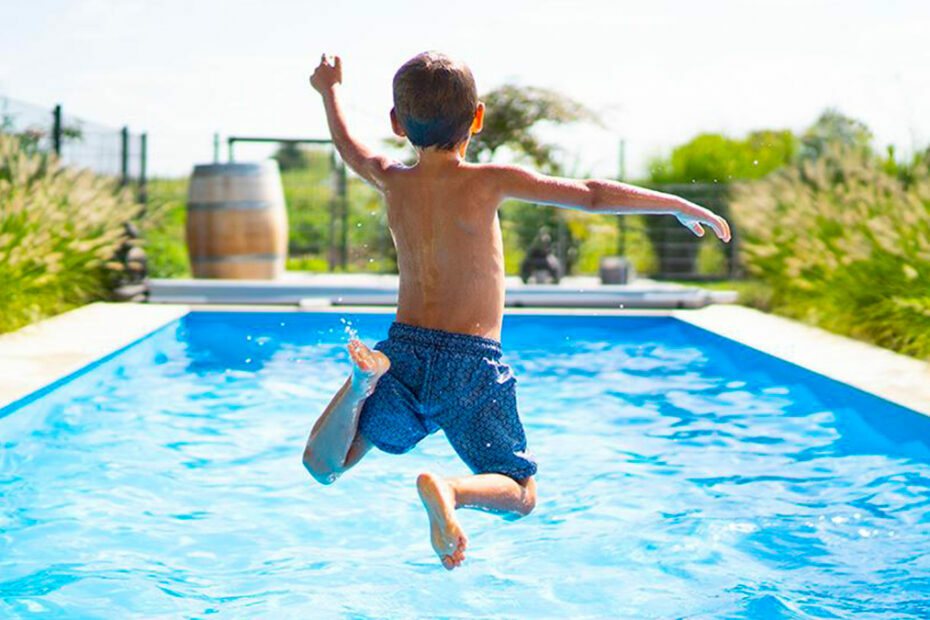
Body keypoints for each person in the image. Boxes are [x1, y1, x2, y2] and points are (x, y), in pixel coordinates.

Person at [302, 52, 730, 570]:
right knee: (521, 493)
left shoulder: (393, 179)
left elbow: (349, 148)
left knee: (327, 466)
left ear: (397, 123)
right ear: (477, 119)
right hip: (470, 363)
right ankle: (450, 489)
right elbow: (591, 195)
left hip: (403, 354)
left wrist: (329, 91)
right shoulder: (489, 181)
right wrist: (676, 204)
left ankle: (358, 386)